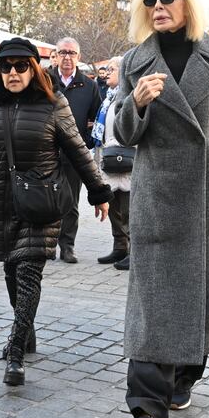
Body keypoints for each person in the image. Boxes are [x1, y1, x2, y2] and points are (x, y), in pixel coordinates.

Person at [113, 0, 209, 418]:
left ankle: (183, 377)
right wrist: (137, 103)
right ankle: (146, 410)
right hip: (156, 199)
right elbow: (123, 134)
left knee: (200, 298)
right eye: (150, 0)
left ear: (188, 2)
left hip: (208, 198)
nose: (158, 7)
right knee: (151, 303)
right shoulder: (135, 61)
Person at [0, 37, 112, 386]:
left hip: (41, 203)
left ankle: (15, 353)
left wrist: (99, 192)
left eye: (20, 66)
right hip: (1, 203)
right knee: (12, 272)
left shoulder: (52, 104)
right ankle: (25, 328)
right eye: (5, 67)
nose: (12, 72)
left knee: (29, 272)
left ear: (32, 69)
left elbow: (78, 150)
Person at [49, 37, 102, 264]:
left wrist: (86, 142)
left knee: (70, 202)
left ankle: (67, 245)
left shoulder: (88, 85)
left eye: (71, 53)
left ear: (78, 57)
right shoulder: (44, 80)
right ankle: (48, 244)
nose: (67, 57)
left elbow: (97, 117)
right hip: (46, 152)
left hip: (73, 154)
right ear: (57, 55)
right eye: (63, 52)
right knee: (46, 199)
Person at [92, 57, 131, 270]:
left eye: (112, 69)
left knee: (128, 208)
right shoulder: (108, 97)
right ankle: (120, 247)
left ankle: (134, 251)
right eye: (106, 69)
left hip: (124, 158)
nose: (107, 72)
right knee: (113, 205)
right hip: (108, 157)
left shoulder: (129, 96)